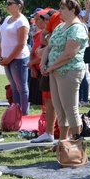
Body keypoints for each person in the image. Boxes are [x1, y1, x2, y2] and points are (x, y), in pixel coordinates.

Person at [40, 0, 88, 141]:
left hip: (69, 71)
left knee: (70, 108)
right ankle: (62, 142)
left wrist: (51, 66)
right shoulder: (60, 26)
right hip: (54, 72)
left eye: (62, 8)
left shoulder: (77, 28)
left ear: (73, 9)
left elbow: (69, 54)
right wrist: (43, 63)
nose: (59, 11)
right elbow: (49, 47)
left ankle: (76, 142)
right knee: (59, 108)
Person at [29, 9, 57, 143]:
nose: (45, 22)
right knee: (47, 101)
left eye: (47, 19)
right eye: (43, 19)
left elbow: (48, 48)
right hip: (45, 70)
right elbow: (38, 49)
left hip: (54, 70)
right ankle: (48, 132)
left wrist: (41, 53)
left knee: (60, 104)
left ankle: (66, 134)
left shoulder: (59, 32)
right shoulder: (44, 34)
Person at [0, 0, 30, 114]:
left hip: (18, 58)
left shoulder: (22, 21)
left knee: (21, 88)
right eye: (7, 3)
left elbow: (21, 44)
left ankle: (24, 114)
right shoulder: (7, 19)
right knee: (14, 87)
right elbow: (3, 37)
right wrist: (0, 55)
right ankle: (16, 112)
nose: (7, 5)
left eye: (10, 3)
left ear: (19, 6)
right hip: (7, 58)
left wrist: (8, 59)